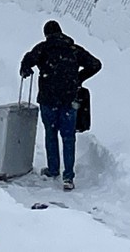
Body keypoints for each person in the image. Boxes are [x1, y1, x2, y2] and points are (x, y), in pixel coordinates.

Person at [20, 20, 101, 191]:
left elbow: (28, 59)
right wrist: (77, 78)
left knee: (51, 133)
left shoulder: (43, 48)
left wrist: (26, 70)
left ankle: (53, 169)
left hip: (48, 100)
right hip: (68, 100)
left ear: (46, 34)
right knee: (68, 137)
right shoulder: (73, 50)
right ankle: (68, 177)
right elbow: (95, 64)